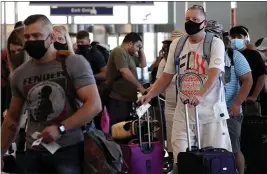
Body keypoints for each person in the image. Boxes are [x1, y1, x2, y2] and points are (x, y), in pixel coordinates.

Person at [1, 14, 102, 173]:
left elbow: (94, 105)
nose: (32, 41)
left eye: (37, 35)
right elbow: (12, 118)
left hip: (68, 150)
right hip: (33, 151)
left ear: (51, 37)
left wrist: (60, 128)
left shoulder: (74, 63)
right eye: (28, 36)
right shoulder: (19, 75)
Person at [138, 5, 232, 171]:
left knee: (212, 159)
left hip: (211, 111)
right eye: (187, 19)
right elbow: (166, 77)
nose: (190, 23)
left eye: (195, 20)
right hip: (184, 110)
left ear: (204, 22)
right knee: (181, 157)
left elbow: (214, 73)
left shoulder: (214, 43)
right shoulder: (177, 45)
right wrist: (150, 94)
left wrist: (200, 95)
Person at [206, 20, 253, 174]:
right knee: (210, 148)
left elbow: (248, 79)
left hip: (229, 109)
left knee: (233, 148)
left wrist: (236, 104)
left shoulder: (233, 55)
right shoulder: (201, 57)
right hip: (207, 111)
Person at [106, 32, 147, 127]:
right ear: (130, 44)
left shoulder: (130, 55)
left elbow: (142, 64)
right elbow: (124, 72)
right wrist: (140, 87)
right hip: (118, 100)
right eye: (137, 46)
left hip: (126, 100)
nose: (137, 49)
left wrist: (141, 49)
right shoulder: (119, 51)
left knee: (126, 130)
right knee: (118, 129)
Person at [156, 29, 184, 155]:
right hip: (171, 102)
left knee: (184, 134)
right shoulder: (165, 60)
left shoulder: (188, 58)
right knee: (172, 134)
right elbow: (159, 81)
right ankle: (175, 162)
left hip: (185, 102)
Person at [229, 26, 266, 104]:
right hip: (232, 98)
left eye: (239, 36)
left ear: (246, 39)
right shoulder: (228, 54)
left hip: (248, 99)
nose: (235, 39)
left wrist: (254, 96)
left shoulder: (253, 54)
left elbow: (261, 76)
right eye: (233, 37)